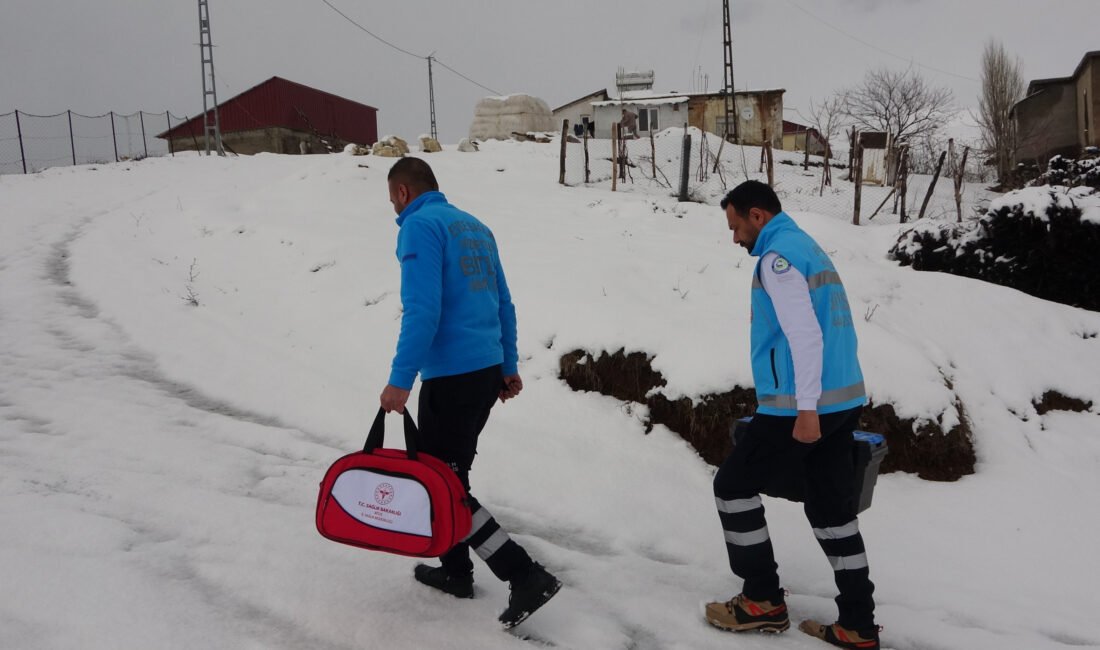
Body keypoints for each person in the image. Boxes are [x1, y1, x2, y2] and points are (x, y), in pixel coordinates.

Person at [378, 157, 561, 629]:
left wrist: (401, 379)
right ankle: (455, 571)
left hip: (452, 377)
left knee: (446, 485)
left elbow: (423, 310)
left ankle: (523, 574)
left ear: (402, 192)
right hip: (482, 370)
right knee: (447, 474)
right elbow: (503, 303)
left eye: (391, 199)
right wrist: (506, 365)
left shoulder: (419, 227)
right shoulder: (475, 227)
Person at [705, 180, 880, 650]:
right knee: (830, 510)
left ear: (757, 215)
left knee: (732, 486)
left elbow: (804, 337)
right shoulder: (806, 247)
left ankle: (761, 600)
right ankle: (858, 624)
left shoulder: (777, 260)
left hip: (799, 405)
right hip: (842, 399)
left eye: (736, 225)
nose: (735, 237)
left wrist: (805, 410)